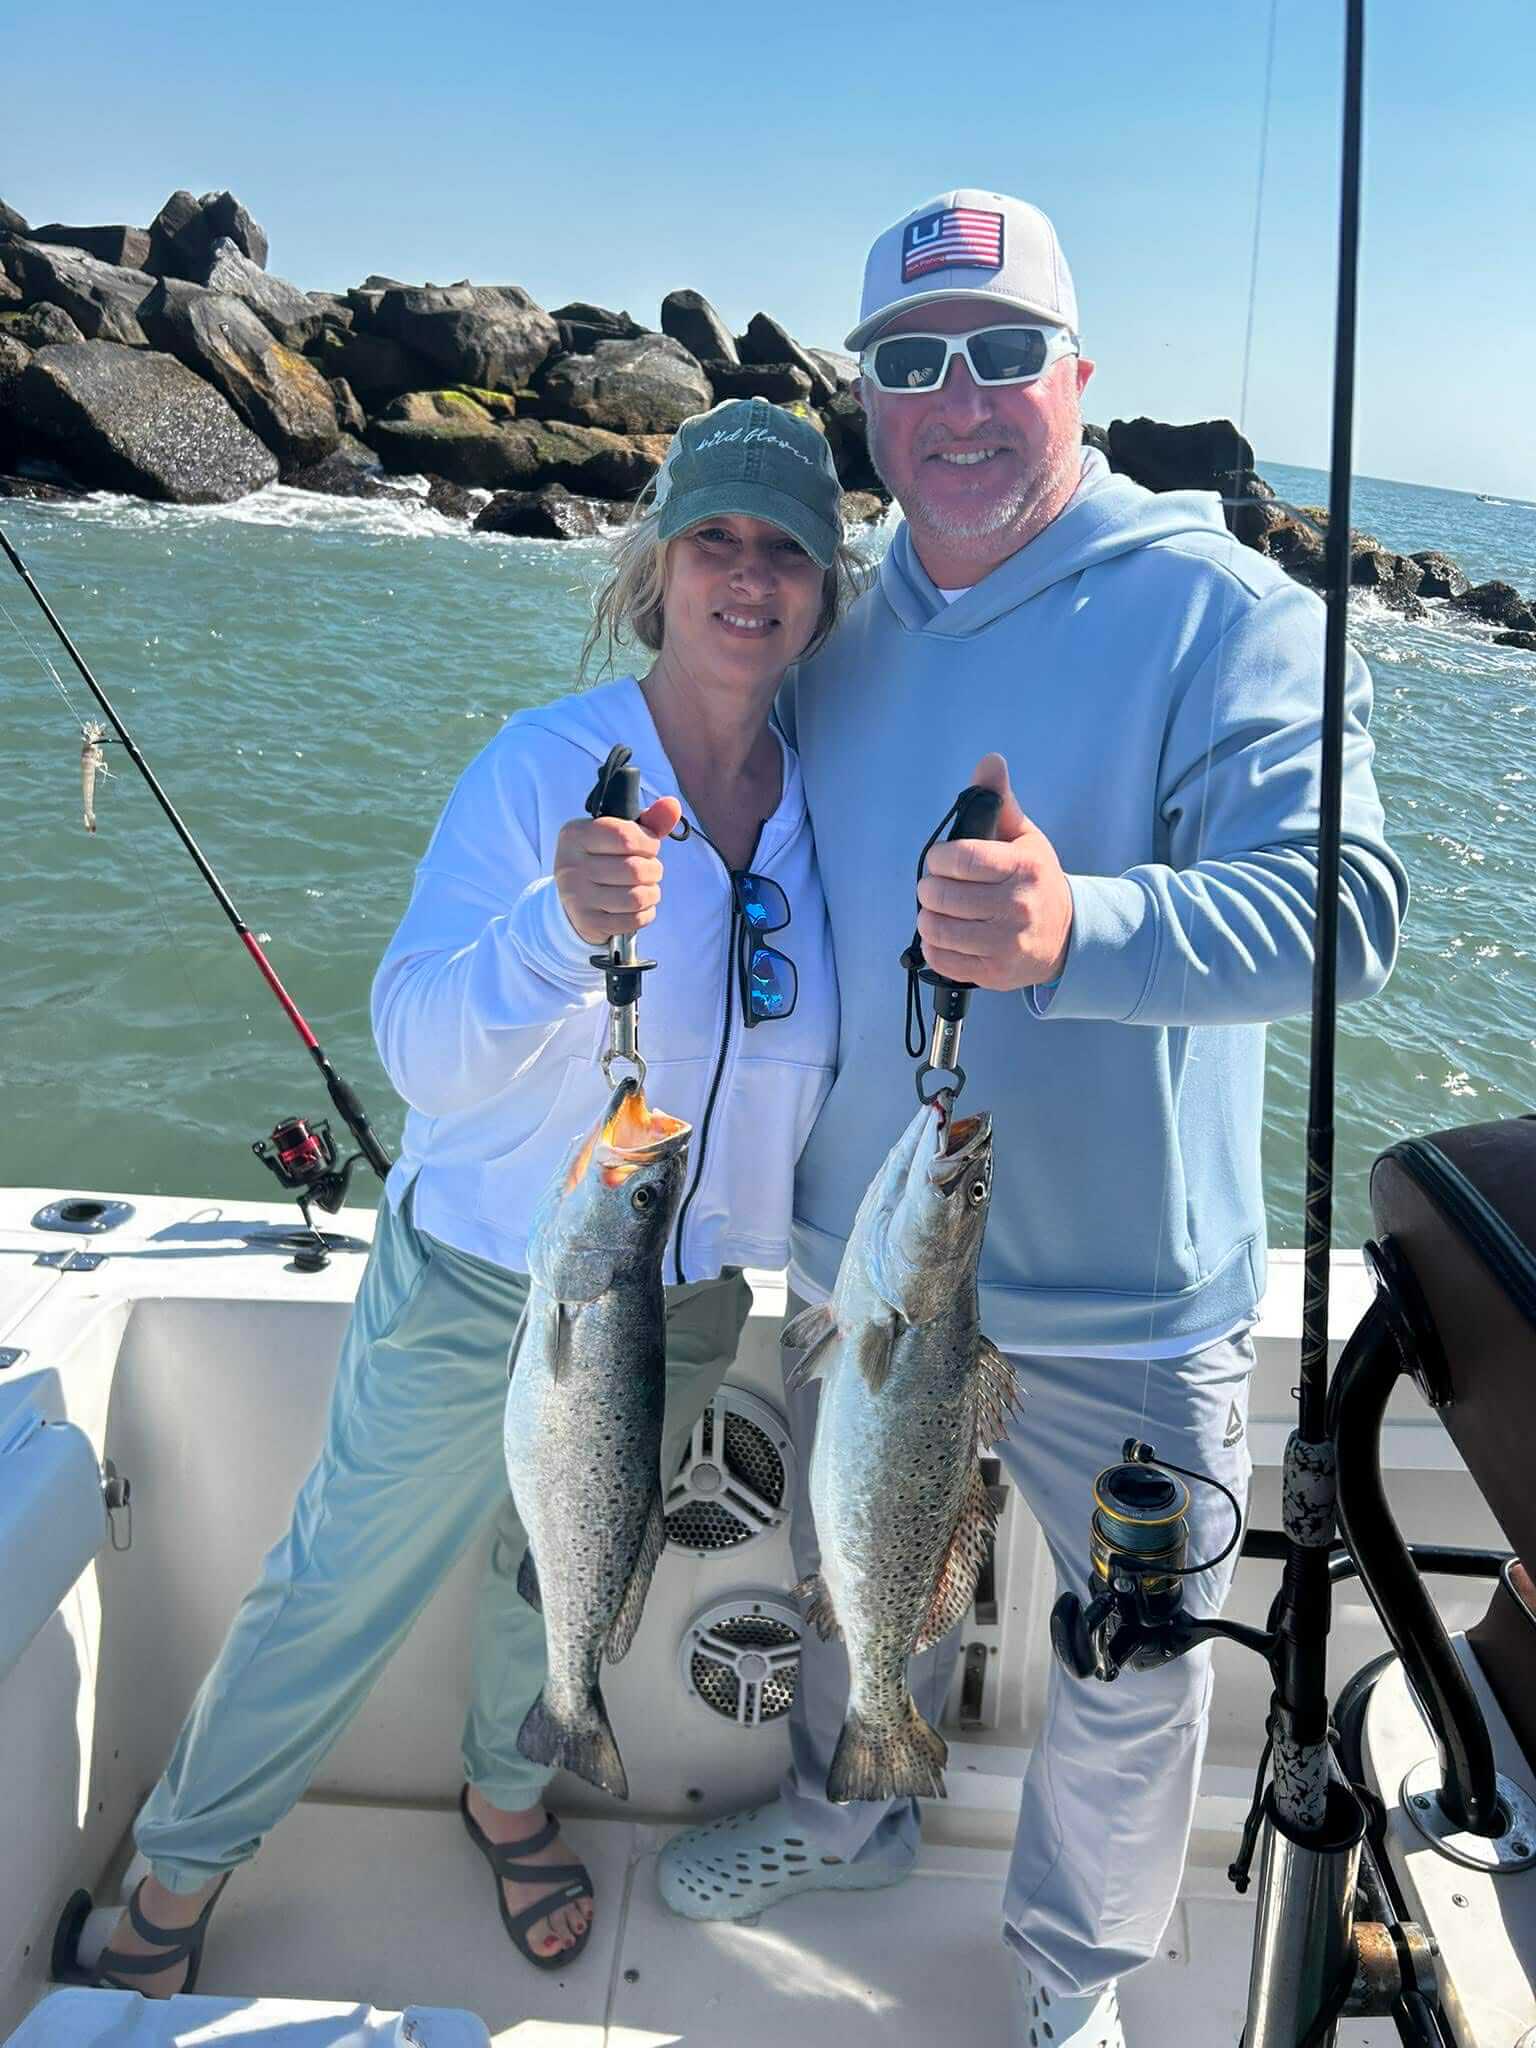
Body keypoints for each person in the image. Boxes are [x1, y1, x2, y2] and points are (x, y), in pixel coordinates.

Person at [658, 192, 1409, 2046]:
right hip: (869, 1259)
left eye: (1004, 352)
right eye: (912, 363)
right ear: (868, 400)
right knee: (864, 1562)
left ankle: (1074, 1984)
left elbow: (1352, 908)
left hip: (1130, 1302)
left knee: (1130, 1663)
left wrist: (1085, 926)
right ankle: (854, 1803)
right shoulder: (832, 628)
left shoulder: (1223, 611)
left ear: (1080, 374)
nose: (960, 399)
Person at [93, 397, 861, 1995]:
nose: (747, 573)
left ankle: (505, 1793)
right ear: (656, 564)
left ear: (823, 591)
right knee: (341, 1580)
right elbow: (418, 1044)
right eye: (713, 535)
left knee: (563, 1573)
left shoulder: (825, 804)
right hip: (487, 1275)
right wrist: (547, 927)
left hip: (689, 1290)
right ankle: (174, 1880)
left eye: (785, 548)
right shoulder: (545, 767)